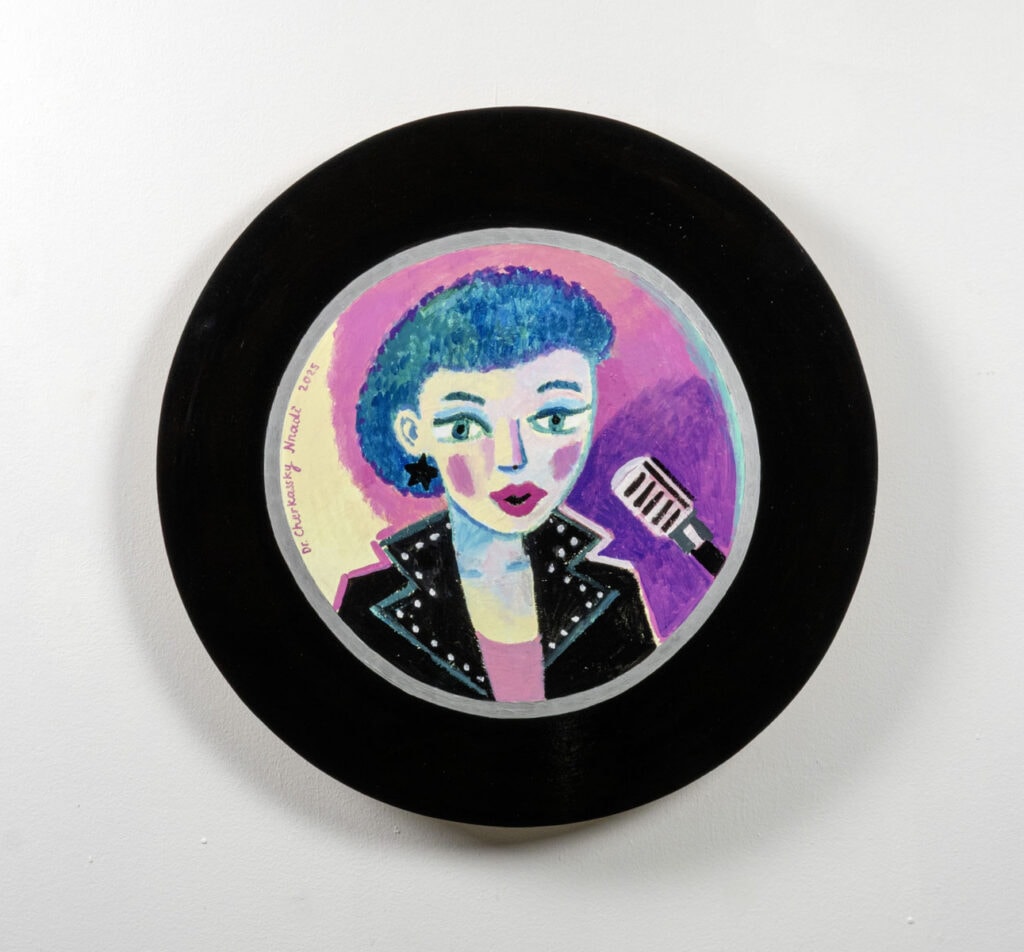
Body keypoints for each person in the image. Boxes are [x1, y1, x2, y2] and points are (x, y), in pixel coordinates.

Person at [338, 266, 655, 701]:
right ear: (413, 433)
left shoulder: (615, 595)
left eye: (554, 419)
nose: (512, 459)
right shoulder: (372, 606)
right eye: (465, 427)